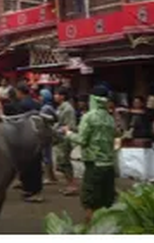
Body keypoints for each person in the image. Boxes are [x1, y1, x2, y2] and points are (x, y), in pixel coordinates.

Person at [63, 85, 116, 224]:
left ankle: (91, 230)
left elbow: (82, 140)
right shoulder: (110, 119)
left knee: (90, 201)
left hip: (94, 165)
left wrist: (68, 133)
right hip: (109, 166)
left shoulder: (89, 117)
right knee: (106, 202)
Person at [15, 83, 44, 203]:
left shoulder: (23, 104)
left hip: (27, 138)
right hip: (37, 137)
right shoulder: (36, 103)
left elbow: (19, 121)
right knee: (36, 165)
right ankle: (34, 189)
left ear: (20, 92)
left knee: (28, 165)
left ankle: (31, 190)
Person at [54, 86, 78, 196]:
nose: (55, 96)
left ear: (62, 96)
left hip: (65, 138)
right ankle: (69, 184)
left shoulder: (68, 109)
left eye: (57, 94)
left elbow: (70, 126)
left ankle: (72, 185)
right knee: (61, 162)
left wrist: (61, 130)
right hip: (59, 138)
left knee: (65, 162)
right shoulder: (60, 107)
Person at [39, 88, 57, 185]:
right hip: (48, 132)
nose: (39, 97)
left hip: (45, 132)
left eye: (41, 96)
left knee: (46, 156)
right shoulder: (50, 107)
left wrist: (40, 115)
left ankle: (48, 177)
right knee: (48, 155)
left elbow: (52, 119)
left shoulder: (45, 108)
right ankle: (52, 176)